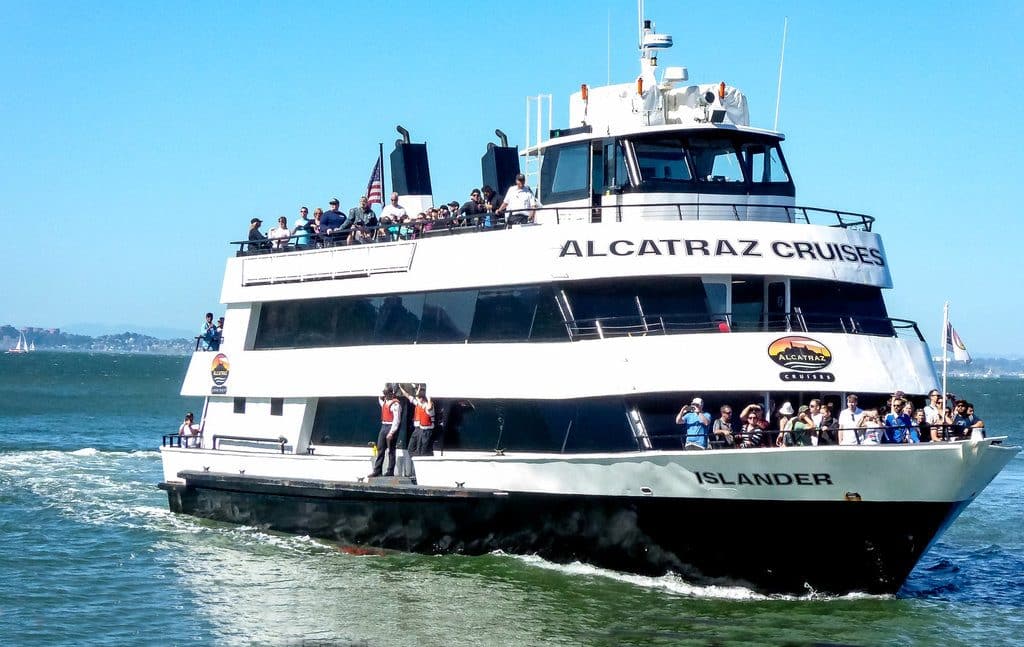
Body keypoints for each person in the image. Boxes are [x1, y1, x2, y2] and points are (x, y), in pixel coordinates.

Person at [370, 386, 402, 477]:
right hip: (384, 426)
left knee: (391, 450)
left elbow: (397, 420)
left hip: (390, 426)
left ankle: (390, 471)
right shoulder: (385, 402)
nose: (385, 395)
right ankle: (377, 470)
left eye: (386, 393)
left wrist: (391, 432)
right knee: (380, 448)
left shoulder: (396, 405)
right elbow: (380, 400)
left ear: (391, 393)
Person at [399, 384, 434, 456]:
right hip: (419, 429)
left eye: (419, 398)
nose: (417, 398)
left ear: (423, 398)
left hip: (426, 430)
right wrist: (401, 388)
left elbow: (429, 408)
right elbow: (408, 396)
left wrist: (429, 398)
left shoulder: (427, 406)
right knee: (411, 448)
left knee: (422, 450)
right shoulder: (419, 403)